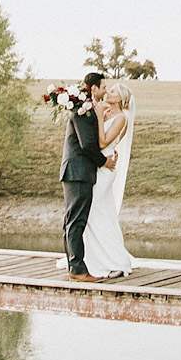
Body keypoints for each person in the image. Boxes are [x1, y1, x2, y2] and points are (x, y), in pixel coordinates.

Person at [81, 81, 136, 278]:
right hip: (99, 165)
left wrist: (98, 118)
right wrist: (101, 118)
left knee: (95, 209)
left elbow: (104, 142)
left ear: (120, 98)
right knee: (101, 212)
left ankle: (114, 260)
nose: (108, 92)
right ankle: (95, 257)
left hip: (106, 168)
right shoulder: (108, 114)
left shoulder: (121, 118)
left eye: (112, 91)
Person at [61, 71, 110, 282]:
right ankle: (78, 269)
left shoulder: (87, 109)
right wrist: (104, 161)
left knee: (72, 221)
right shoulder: (83, 111)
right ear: (94, 89)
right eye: (103, 86)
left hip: (77, 172)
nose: (106, 90)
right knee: (76, 221)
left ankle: (74, 265)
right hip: (78, 172)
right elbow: (87, 145)